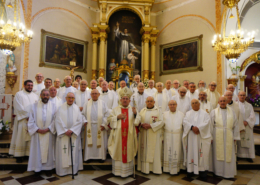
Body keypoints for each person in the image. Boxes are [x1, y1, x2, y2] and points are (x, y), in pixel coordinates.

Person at [108, 87, 138, 177]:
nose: (125, 100)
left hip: (129, 135)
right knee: (118, 150)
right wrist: (117, 117)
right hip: (118, 136)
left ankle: (128, 172)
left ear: (129, 100)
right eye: (123, 99)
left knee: (128, 151)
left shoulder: (133, 109)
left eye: (127, 99)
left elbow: (138, 121)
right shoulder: (115, 110)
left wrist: (136, 114)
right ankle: (117, 171)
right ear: (120, 100)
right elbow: (109, 120)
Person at [27, 89, 56, 176]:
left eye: (47, 95)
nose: (45, 97)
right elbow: (31, 120)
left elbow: (55, 120)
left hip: (49, 133)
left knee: (49, 151)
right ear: (40, 95)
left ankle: (48, 168)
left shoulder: (54, 106)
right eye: (44, 95)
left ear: (49, 96)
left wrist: (49, 128)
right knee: (37, 151)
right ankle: (37, 168)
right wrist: (37, 129)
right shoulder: (34, 106)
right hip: (37, 133)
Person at [54, 92, 84, 176]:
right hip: (63, 134)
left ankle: (73, 171)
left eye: (72, 98)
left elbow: (79, 120)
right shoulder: (60, 108)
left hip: (73, 134)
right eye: (69, 97)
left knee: (73, 152)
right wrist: (65, 130)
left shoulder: (77, 108)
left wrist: (72, 130)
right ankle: (63, 172)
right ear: (66, 98)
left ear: (74, 99)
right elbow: (57, 120)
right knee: (63, 152)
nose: (71, 99)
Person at [9, 80, 39, 163]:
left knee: (30, 139)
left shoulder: (35, 96)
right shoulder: (19, 94)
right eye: (28, 85)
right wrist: (27, 116)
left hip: (32, 121)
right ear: (24, 85)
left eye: (31, 85)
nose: (30, 87)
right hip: (23, 120)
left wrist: (33, 117)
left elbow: (37, 108)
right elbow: (18, 107)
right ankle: (19, 155)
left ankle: (28, 154)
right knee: (20, 137)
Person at [210, 97, 240, 178]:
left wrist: (235, 136)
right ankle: (218, 172)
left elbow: (236, 124)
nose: (222, 102)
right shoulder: (214, 112)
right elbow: (211, 125)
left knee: (228, 153)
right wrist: (211, 137)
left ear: (227, 102)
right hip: (217, 135)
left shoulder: (232, 111)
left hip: (229, 135)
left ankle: (228, 173)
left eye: (224, 101)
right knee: (218, 153)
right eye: (221, 101)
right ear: (218, 102)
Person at [183, 99, 211, 180]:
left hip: (201, 136)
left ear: (199, 104)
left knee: (202, 152)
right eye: (193, 103)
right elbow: (185, 121)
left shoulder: (205, 113)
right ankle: (190, 170)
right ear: (191, 105)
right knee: (191, 152)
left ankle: (202, 171)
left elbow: (207, 122)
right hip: (191, 136)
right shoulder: (188, 113)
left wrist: (199, 128)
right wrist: (192, 127)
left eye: (196, 103)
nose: (195, 104)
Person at [134, 96, 164, 174]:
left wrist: (151, 126)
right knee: (144, 150)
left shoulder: (158, 111)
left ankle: (154, 169)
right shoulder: (142, 110)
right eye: (148, 101)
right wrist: (140, 124)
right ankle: (143, 169)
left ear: (154, 102)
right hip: (143, 133)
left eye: (151, 101)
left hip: (154, 133)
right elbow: (138, 119)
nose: (149, 102)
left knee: (154, 151)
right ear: (146, 102)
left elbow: (162, 122)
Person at [82, 89, 110, 162]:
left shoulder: (103, 103)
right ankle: (89, 157)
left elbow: (107, 115)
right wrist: (84, 121)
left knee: (100, 142)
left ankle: (100, 157)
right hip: (89, 126)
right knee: (89, 142)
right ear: (90, 95)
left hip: (100, 126)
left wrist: (104, 124)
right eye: (93, 93)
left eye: (96, 93)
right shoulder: (86, 104)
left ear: (99, 94)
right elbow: (82, 115)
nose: (94, 95)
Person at [163, 100, 185, 175]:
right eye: (170, 104)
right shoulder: (164, 114)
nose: (172, 106)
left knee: (177, 151)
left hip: (177, 136)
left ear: (176, 105)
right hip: (167, 135)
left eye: (173, 104)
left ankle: (177, 168)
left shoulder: (181, 114)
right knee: (167, 151)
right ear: (168, 105)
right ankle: (167, 168)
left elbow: (184, 126)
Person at [237, 91, 256, 163]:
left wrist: (247, 121)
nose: (242, 96)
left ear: (245, 96)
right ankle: (239, 155)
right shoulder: (236, 105)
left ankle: (249, 156)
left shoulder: (249, 105)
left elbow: (252, 115)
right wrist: (241, 122)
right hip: (240, 126)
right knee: (239, 141)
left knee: (248, 140)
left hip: (247, 126)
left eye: (243, 95)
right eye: (241, 95)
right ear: (238, 96)